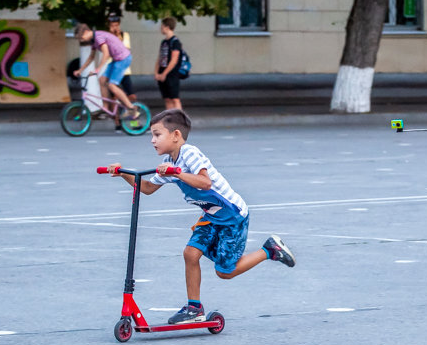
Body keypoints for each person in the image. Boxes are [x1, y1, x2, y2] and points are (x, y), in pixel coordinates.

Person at [107, 109, 295, 324]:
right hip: (211, 216)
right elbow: (147, 187)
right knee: (190, 253)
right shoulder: (170, 161)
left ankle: (269, 250)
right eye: (152, 135)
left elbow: (205, 182)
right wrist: (123, 173)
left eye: (157, 135)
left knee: (225, 272)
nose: (152, 141)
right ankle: (194, 308)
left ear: (176, 135)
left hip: (232, 216)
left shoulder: (189, 153)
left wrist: (176, 173)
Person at [72, 23, 136, 120]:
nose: (81, 40)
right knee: (101, 80)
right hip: (116, 60)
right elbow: (91, 57)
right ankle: (106, 108)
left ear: (86, 32)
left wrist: (97, 69)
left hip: (123, 59)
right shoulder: (93, 41)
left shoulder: (98, 37)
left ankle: (131, 108)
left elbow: (105, 54)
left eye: (81, 37)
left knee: (112, 85)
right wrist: (80, 70)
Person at [106, 14, 139, 104]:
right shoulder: (107, 37)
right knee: (114, 97)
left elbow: (126, 50)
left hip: (124, 70)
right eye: (112, 26)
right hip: (113, 69)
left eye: (116, 25)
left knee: (131, 95)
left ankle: (131, 110)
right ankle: (116, 117)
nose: (115, 28)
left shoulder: (125, 35)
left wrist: (117, 36)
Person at [155, 17, 183, 110]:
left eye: (162, 26)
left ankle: (180, 121)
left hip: (171, 74)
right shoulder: (164, 42)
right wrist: (156, 72)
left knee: (175, 99)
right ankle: (170, 120)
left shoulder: (175, 42)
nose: (160, 28)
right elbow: (160, 58)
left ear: (167, 27)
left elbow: (174, 60)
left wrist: (164, 74)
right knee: (167, 99)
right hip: (162, 72)